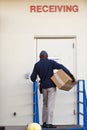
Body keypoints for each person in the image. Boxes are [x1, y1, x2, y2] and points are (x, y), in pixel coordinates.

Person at [30, 50, 75, 128]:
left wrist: (38, 78)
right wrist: (70, 74)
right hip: (51, 87)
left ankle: (44, 122)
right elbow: (61, 67)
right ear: (47, 56)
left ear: (40, 57)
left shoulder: (37, 65)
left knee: (45, 104)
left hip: (43, 87)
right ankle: (49, 123)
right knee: (50, 104)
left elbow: (32, 78)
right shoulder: (50, 62)